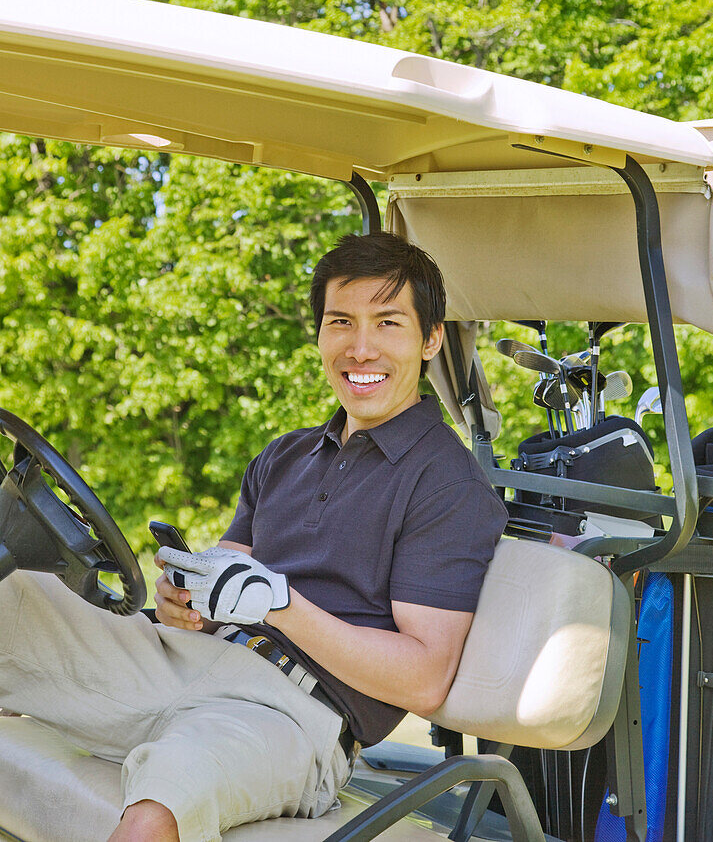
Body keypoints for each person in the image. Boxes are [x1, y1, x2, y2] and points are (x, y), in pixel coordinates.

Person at [0, 231, 507, 842]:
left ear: (429, 339)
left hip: (292, 716)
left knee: (157, 810)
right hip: (185, 661)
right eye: (341, 321)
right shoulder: (286, 456)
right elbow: (224, 577)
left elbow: (424, 679)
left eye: (388, 323)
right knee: (13, 597)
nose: (361, 347)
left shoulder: (447, 483)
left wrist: (281, 606)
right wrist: (186, 602)